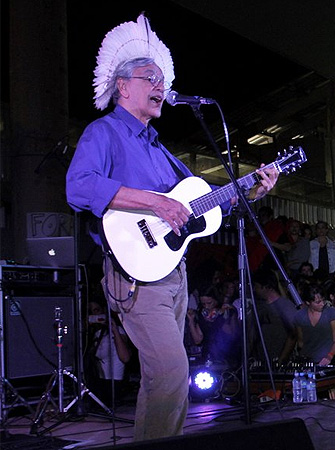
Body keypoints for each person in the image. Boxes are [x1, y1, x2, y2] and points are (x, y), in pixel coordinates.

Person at [65, 14, 278, 440]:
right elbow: (78, 186)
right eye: (150, 78)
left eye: (163, 79)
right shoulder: (104, 132)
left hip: (173, 274)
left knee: (162, 380)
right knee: (172, 372)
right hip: (134, 276)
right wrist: (154, 202)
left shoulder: (160, 148)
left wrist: (253, 189)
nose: (161, 86)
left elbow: (204, 203)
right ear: (123, 86)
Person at [252, 268, 298, 364]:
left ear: (265, 287)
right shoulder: (259, 307)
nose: (254, 290)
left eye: (256, 286)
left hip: (278, 362)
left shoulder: (285, 306)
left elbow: (293, 335)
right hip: (262, 361)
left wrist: (281, 359)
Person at [293, 283, 335, 366]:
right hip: (307, 361)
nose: (322, 304)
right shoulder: (300, 316)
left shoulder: (330, 313)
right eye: (318, 302)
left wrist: (329, 356)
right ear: (308, 302)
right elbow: (300, 342)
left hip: (327, 360)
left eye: (323, 300)